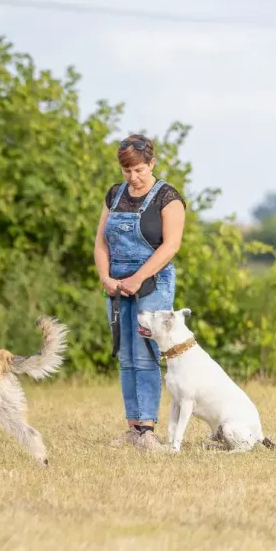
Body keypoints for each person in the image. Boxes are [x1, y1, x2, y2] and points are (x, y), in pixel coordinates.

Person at [94, 134, 186, 452]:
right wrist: (105, 277)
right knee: (125, 355)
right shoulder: (114, 195)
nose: (133, 177)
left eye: (139, 170)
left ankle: (147, 429)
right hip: (117, 286)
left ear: (152, 163)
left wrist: (138, 278)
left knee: (144, 353)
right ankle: (133, 427)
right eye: (127, 171)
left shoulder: (168, 197)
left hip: (153, 283)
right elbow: (101, 242)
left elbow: (171, 246)